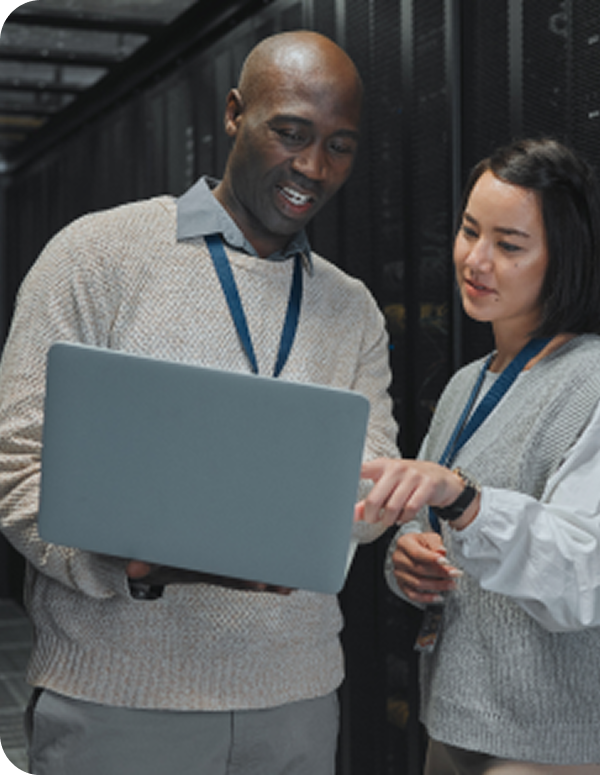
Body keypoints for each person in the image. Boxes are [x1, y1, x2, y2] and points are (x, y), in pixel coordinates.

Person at [0, 31, 398, 775]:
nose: (313, 168)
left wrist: (379, 502)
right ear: (232, 113)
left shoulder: (352, 309)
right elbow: (18, 465)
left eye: (339, 146)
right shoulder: (96, 255)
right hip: (117, 700)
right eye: (290, 133)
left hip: (295, 701)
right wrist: (147, 565)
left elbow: (367, 471)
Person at [357, 138, 600, 775]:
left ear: (564, 258)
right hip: (457, 716)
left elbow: (590, 579)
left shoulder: (599, 385)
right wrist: (407, 562)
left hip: (554, 742)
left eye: (510, 245)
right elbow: (425, 526)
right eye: (470, 232)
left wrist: (464, 502)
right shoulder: (468, 383)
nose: (477, 260)